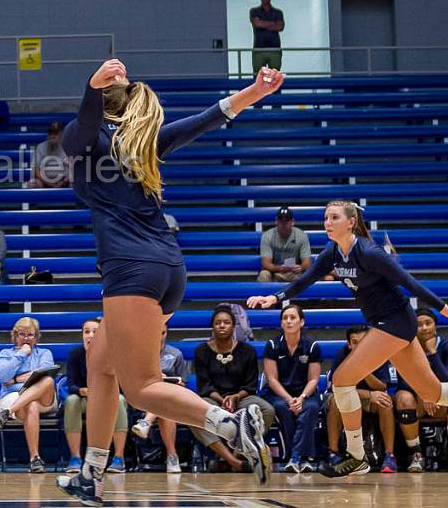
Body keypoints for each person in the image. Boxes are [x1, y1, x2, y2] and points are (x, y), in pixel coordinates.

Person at [57, 59, 284, 505]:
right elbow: (206, 119)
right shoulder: (145, 144)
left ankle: (230, 424)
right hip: (167, 268)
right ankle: (92, 472)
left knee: (141, 385)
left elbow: (79, 128)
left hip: (130, 270)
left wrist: (90, 88)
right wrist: (253, 94)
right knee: (101, 364)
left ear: (104, 108)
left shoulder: (89, 141)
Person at [247, 200, 448, 478]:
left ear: (350, 222)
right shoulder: (333, 252)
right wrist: (275, 297)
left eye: (334, 217)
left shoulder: (368, 251)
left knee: (341, 379)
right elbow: (306, 279)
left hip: (395, 321)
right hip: (386, 324)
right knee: (433, 393)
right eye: (325, 217)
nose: (327, 222)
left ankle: (357, 456)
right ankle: (357, 457)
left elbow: (409, 282)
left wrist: (447, 310)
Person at [191, 306, 275, 473]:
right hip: (213, 398)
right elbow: (204, 385)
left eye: (226, 322)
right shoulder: (201, 351)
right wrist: (222, 401)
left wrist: (235, 397)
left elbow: (250, 385)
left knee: (267, 409)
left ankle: (238, 450)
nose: (222, 326)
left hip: (241, 397)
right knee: (194, 413)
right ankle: (233, 462)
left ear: (234, 326)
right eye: (218, 323)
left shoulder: (247, 351)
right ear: (212, 327)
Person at [394, 308, 448, 473]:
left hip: (442, 401)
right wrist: (425, 394)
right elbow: (404, 382)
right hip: (420, 401)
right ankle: (416, 455)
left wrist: (432, 353)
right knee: (403, 398)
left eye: (428, 323)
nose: (424, 328)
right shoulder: (405, 348)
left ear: (435, 326)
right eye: (419, 325)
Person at [259, 304, 322, 473]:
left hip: (305, 394)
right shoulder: (272, 345)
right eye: (285, 318)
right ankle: (303, 457)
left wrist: (301, 398)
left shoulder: (312, 345)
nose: (288, 321)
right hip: (279, 394)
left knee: (311, 408)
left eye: (292, 318)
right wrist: (289, 399)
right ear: (281, 323)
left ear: (301, 322)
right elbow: (272, 379)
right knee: (281, 407)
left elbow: (314, 379)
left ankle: (294, 456)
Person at [325, 325, 396, 473]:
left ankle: (389, 455)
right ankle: (333, 453)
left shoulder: (379, 354)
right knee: (335, 401)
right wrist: (369, 394)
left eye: (363, 342)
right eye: (355, 342)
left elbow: (382, 387)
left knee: (386, 403)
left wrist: (363, 369)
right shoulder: (341, 354)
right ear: (349, 344)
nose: (359, 346)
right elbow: (336, 388)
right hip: (348, 395)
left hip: (371, 399)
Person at [0, 317, 58, 473]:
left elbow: (42, 375)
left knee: (48, 380)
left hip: (44, 399)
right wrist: (21, 354)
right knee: (31, 405)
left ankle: (6, 412)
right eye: (22, 334)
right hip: (13, 396)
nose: (26, 338)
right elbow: (3, 376)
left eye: (30, 335)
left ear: (36, 337)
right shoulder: (5, 354)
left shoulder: (45, 353)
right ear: (15, 336)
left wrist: (14, 379)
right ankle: (35, 459)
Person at [64, 318, 128, 474]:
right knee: (71, 400)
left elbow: (121, 386)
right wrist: (82, 391)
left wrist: (100, 392)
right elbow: (70, 384)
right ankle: (75, 458)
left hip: (108, 398)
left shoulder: (113, 354)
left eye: (95, 332)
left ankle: (118, 458)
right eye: (87, 332)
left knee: (119, 400)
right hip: (84, 398)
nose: (90, 335)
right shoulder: (75, 354)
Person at [130, 326, 188, 474]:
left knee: (165, 405)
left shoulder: (176, 354)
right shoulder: (139, 355)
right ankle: (172, 455)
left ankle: (146, 422)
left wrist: (167, 380)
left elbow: (183, 383)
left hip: (171, 398)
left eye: (163, 333)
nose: (160, 336)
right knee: (164, 406)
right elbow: (133, 382)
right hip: (144, 398)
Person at [258, 207, 311, 282]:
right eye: (281, 221)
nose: (283, 224)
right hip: (274, 272)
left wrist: (300, 267)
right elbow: (266, 263)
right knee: (264, 275)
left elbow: (307, 262)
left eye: (287, 221)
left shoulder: (302, 236)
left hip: (293, 273)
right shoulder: (267, 236)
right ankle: (263, 293)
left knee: (302, 277)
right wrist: (280, 268)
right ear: (276, 221)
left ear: (292, 222)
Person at [250, 0, 284, 73]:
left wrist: (263, 23)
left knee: (274, 78)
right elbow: (257, 24)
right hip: (259, 49)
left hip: (274, 49)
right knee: (258, 78)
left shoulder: (278, 12)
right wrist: (273, 23)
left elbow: (280, 27)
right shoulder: (254, 11)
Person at [27, 121, 70, 188]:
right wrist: (48, 182)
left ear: (62, 134)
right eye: (50, 133)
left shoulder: (68, 147)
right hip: (44, 180)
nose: (52, 136)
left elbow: (74, 169)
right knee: (32, 183)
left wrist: (64, 181)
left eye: (55, 133)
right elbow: (35, 169)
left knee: (75, 183)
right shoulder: (41, 147)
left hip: (64, 181)